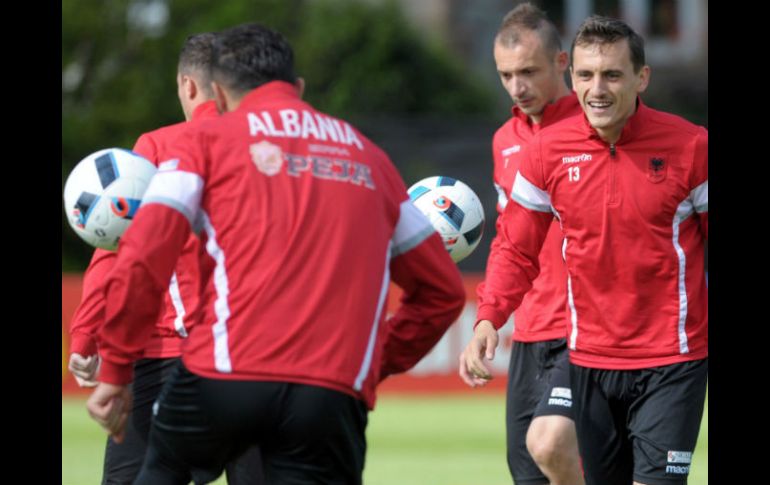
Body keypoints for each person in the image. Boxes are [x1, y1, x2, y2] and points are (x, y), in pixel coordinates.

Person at [85, 22, 466, 485]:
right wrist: (372, 360)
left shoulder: (198, 144)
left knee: (158, 470)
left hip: (225, 374)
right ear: (298, 88)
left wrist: (117, 365)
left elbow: (143, 257)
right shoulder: (369, 158)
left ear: (217, 96)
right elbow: (443, 291)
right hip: (328, 389)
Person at [461, 15, 707, 485]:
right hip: (590, 360)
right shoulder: (545, 153)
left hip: (672, 360)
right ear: (571, 77)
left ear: (641, 78)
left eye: (613, 74)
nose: (598, 88)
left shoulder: (691, 147)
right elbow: (515, 246)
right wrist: (490, 315)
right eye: (587, 75)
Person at [68, 32, 263, 484]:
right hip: (257, 358)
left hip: (167, 357)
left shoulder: (157, 148)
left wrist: (86, 334)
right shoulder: (271, 149)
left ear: (188, 86)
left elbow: (121, 249)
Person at [457, 4, 584, 485]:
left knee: (552, 446)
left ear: (561, 62)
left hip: (585, 329)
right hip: (530, 331)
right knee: (528, 471)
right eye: (506, 74)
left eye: (528, 71)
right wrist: (489, 316)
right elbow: (511, 238)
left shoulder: (593, 129)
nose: (516, 86)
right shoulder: (504, 139)